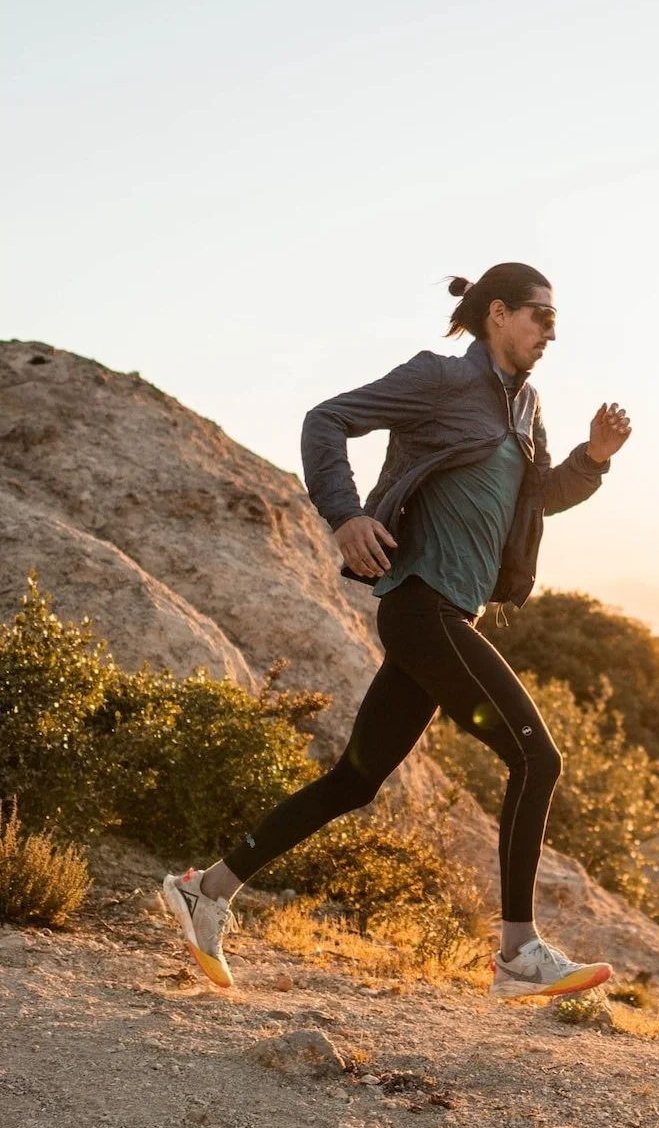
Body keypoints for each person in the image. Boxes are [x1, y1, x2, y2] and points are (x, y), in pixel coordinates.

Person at [162, 262, 632, 998]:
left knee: (354, 780)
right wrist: (345, 513)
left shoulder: (526, 404)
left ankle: (206, 889)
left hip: (451, 612)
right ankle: (517, 952)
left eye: (556, 320)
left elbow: (533, 500)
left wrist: (592, 460)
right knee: (537, 760)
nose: (550, 330)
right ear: (498, 313)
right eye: (540, 315)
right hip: (422, 604)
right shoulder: (440, 379)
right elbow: (328, 418)